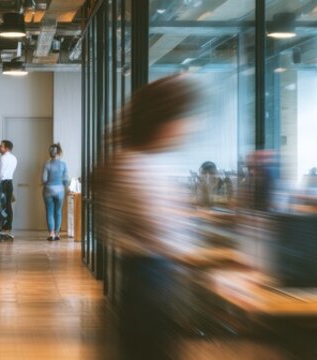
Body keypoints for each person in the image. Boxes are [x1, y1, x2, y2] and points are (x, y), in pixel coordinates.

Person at [95, 74, 200, 360]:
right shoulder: (137, 165)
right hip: (150, 279)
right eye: (183, 117)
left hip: (147, 278)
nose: (188, 126)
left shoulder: (138, 160)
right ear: (163, 121)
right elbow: (164, 232)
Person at [41, 143, 69, 241]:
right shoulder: (63, 164)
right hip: (60, 191)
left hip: (48, 190)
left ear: (50, 153)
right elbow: (66, 180)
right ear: (59, 152)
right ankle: (57, 233)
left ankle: (51, 234)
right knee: (58, 212)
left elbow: (43, 179)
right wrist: (61, 185)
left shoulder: (47, 164)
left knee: (49, 211)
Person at [0, 140, 17, 234]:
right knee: (8, 205)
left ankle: (0, 225)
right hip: (10, 183)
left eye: (1, 146)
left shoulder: (2, 158)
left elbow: (0, 175)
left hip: (2, 183)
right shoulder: (14, 158)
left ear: (6, 148)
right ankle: (8, 225)